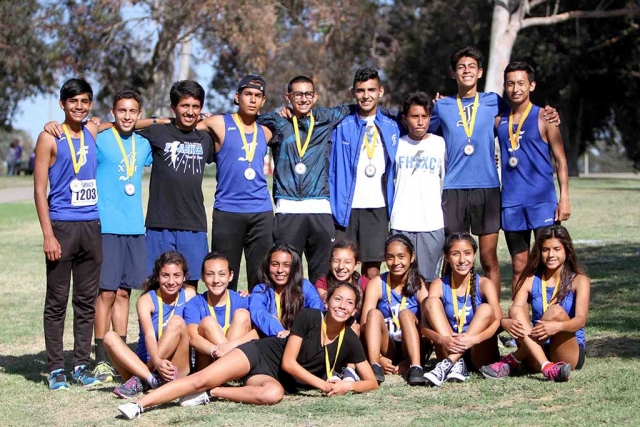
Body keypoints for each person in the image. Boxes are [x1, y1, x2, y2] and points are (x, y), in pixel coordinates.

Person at [117, 281, 378, 419]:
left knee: (273, 394)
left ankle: (212, 393)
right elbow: (288, 362)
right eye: (337, 299)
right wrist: (323, 387)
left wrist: (347, 386)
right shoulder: (310, 317)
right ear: (327, 301)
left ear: (355, 310)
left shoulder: (350, 340)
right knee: (200, 377)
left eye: (349, 303)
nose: (342, 306)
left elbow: (371, 382)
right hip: (260, 353)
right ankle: (140, 404)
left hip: (274, 379)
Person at [42, 89, 154, 382]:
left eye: (133, 112)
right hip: (101, 226)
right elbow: (90, 125)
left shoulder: (142, 145)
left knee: (124, 292)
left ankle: (120, 355)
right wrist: (51, 124)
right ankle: (100, 357)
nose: (127, 116)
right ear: (112, 112)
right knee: (103, 293)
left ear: (139, 114)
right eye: (122, 111)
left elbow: (147, 127)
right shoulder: (98, 137)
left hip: (134, 228)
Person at [428, 46, 559, 295]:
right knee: (454, 258)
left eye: (471, 67)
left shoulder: (493, 102)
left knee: (488, 259)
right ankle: (453, 311)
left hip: (488, 190)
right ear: (453, 73)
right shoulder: (442, 107)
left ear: (480, 72)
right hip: (453, 189)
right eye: (461, 67)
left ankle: (494, 318)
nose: (466, 71)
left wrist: (550, 113)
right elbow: (420, 128)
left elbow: (521, 113)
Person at [34, 78, 103, 389]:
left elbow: (128, 119)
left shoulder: (91, 130)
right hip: (62, 226)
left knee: (87, 301)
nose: (79, 106)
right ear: (62, 104)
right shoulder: (50, 137)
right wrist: (48, 235)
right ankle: (55, 368)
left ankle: (81, 365)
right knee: (57, 300)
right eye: (73, 101)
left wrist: (161, 119)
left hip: (91, 226)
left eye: (85, 101)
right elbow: (38, 190)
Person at [256, 76, 354, 284]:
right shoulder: (277, 121)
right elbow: (245, 119)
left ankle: (321, 316)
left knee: (323, 275)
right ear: (288, 97)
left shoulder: (325, 117)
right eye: (297, 94)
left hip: (320, 209)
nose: (303, 99)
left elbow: (359, 107)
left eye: (308, 94)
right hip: (288, 209)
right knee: (287, 275)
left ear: (315, 96)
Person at [497, 62, 571, 294]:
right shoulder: (499, 121)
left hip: (542, 203)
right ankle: (521, 322)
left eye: (521, 83)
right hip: (511, 204)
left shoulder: (545, 117)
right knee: (519, 266)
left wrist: (565, 198)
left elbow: (561, 160)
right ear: (505, 87)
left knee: (549, 264)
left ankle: (551, 319)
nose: (515, 88)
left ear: (532, 85)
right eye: (510, 83)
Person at [480, 225, 589, 382]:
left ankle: (514, 359)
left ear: (567, 250)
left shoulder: (579, 280)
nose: (551, 255)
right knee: (515, 311)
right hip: (536, 348)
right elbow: (515, 310)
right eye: (546, 250)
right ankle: (547, 367)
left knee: (556, 311)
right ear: (539, 252)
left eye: (557, 249)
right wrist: (505, 322)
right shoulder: (531, 279)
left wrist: (557, 326)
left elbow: (580, 320)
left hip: (566, 351)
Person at [196, 75, 273, 291]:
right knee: (223, 276)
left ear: (263, 101)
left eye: (258, 96)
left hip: (261, 212)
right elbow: (185, 124)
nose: (252, 100)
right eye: (248, 94)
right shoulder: (219, 123)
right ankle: (223, 322)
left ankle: (257, 323)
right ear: (237, 97)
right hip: (228, 211)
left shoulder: (267, 130)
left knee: (262, 279)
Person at [136, 80, 215, 291]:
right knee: (155, 283)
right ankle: (153, 324)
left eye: (196, 107)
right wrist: (159, 119)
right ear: (174, 107)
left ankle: (186, 325)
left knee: (190, 285)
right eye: (185, 106)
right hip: (160, 222)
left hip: (193, 223)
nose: (190, 112)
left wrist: (210, 122)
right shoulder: (158, 132)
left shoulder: (205, 137)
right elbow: (126, 123)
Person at [330, 68, 400, 279]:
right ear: (353, 93)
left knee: (372, 268)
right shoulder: (341, 125)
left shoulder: (393, 125)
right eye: (360, 90)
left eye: (371, 90)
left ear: (381, 91)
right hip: (346, 206)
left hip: (377, 205)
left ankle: (368, 311)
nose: (366, 95)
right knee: (342, 264)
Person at [105, 251, 195, 398]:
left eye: (176, 275)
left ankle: (142, 381)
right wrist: (157, 362)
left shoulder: (190, 294)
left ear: (184, 276)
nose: (171, 281)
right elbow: (149, 336)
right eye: (165, 275)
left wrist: (243, 296)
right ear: (157, 277)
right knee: (109, 337)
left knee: (177, 322)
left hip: (173, 367)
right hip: (143, 365)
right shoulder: (146, 301)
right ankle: (149, 379)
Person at [422, 232, 502, 386]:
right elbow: (424, 328)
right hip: (448, 347)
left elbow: (499, 323)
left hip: (479, 353)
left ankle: (449, 363)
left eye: (467, 253)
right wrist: (442, 339)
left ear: (474, 255)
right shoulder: (438, 284)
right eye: (455, 254)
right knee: (431, 302)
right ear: (446, 257)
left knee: (486, 309)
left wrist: (474, 339)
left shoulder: (485, 284)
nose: (462, 260)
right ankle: (455, 363)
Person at [390, 91, 446, 283]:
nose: (420, 122)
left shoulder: (440, 144)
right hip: (401, 222)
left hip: (431, 223)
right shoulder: (396, 145)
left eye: (424, 117)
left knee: (428, 280)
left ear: (430, 118)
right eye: (415, 117)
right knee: (401, 279)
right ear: (405, 119)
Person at [361, 234, 429, 386]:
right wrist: (379, 357)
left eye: (401, 256)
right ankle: (374, 366)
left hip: (411, 345)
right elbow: (364, 325)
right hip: (387, 345)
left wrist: (412, 359)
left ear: (412, 257)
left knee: (405, 313)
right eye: (390, 257)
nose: (396, 262)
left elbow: (428, 329)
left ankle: (416, 367)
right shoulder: (377, 283)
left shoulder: (419, 284)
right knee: (373, 314)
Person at [183, 252, 257, 370]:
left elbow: (257, 333)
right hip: (208, 365)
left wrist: (230, 346)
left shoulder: (243, 300)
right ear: (202, 276)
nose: (216, 280)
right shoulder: (194, 304)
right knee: (208, 322)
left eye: (222, 274)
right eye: (210, 274)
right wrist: (216, 351)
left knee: (242, 314)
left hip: (237, 358)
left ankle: (231, 369)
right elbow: (192, 337)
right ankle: (231, 367)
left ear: (231, 276)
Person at [249, 244, 325, 337]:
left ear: (294, 267)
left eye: (286, 265)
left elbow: (318, 312)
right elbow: (259, 313)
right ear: (267, 266)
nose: (280, 270)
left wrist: (294, 333)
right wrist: (281, 332)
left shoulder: (305, 286)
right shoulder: (261, 289)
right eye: (275, 264)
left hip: (301, 339)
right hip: (272, 341)